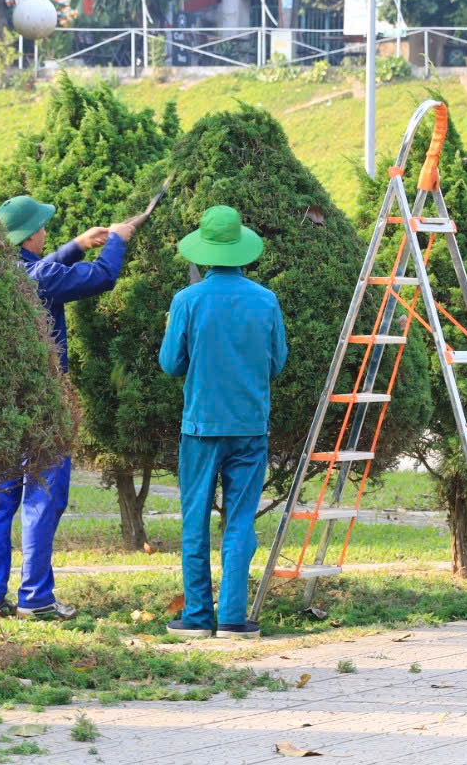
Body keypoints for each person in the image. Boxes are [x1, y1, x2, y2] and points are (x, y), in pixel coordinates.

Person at [0, 195, 134, 620]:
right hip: (44, 405)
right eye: (43, 227)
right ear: (31, 235)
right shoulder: (40, 276)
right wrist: (117, 240)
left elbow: (43, 273)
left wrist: (78, 244)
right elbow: (102, 277)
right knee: (43, 498)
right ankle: (37, 598)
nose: (47, 232)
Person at [158, 205, 287, 639]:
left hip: (200, 428)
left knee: (194, 519)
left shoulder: (186, 301)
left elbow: (171, 364)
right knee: (240, 521)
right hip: (250, 427)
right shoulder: (266, 300)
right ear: (242, 250)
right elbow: (277, 363)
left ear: (204, 252)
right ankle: (233, 617)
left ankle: (196, 616)